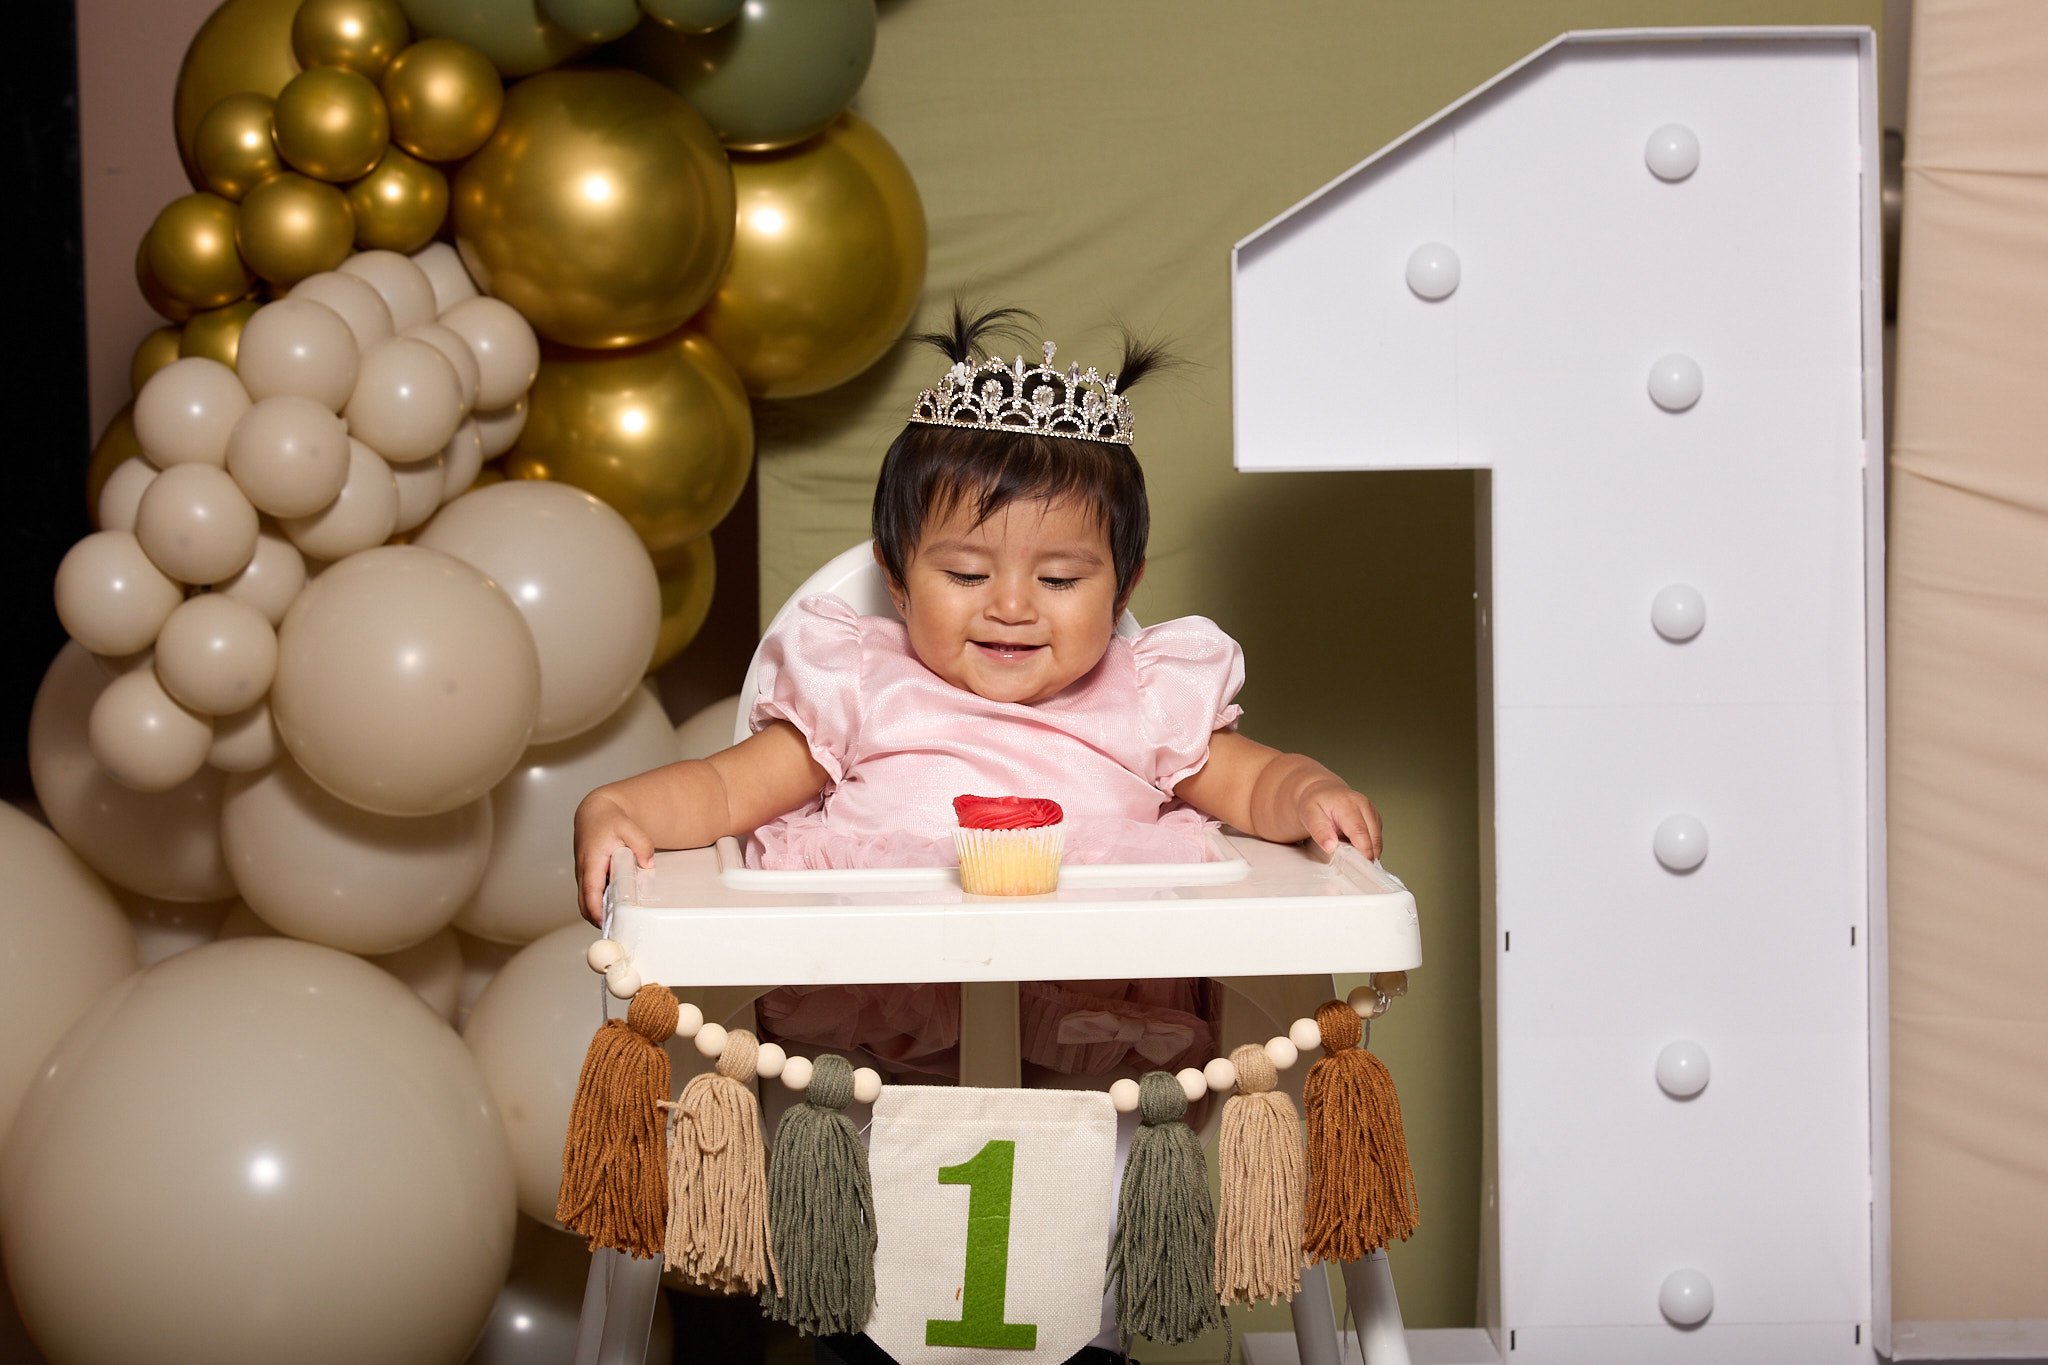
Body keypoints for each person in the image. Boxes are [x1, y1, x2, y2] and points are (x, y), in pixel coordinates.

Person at [575, 304, 1382, 1084]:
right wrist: (624, 807)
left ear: (1123, 584)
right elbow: (724, 788)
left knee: (1085, 1196)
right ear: (896, 580)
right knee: (887, 1189)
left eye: (1060, 578)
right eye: (965, 573)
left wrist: (1307, 789)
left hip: (1097, 1031)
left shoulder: (1143, 696)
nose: (1011, 606)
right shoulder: (861, 683)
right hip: (880, 1036)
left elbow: (1249, 781)